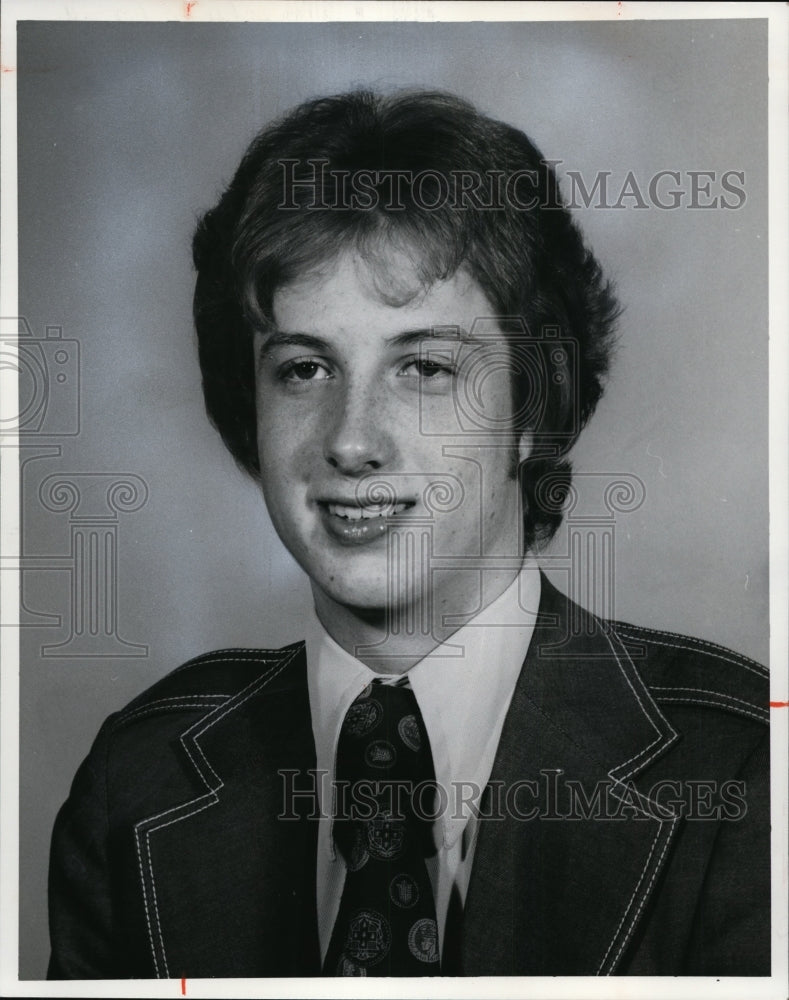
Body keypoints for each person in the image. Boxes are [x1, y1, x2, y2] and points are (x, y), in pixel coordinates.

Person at [47, 89, 770, 979]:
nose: (351, 441)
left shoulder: (742, 774)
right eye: (304, 368)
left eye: (424, 368)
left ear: (532, 413)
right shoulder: (141, 775)